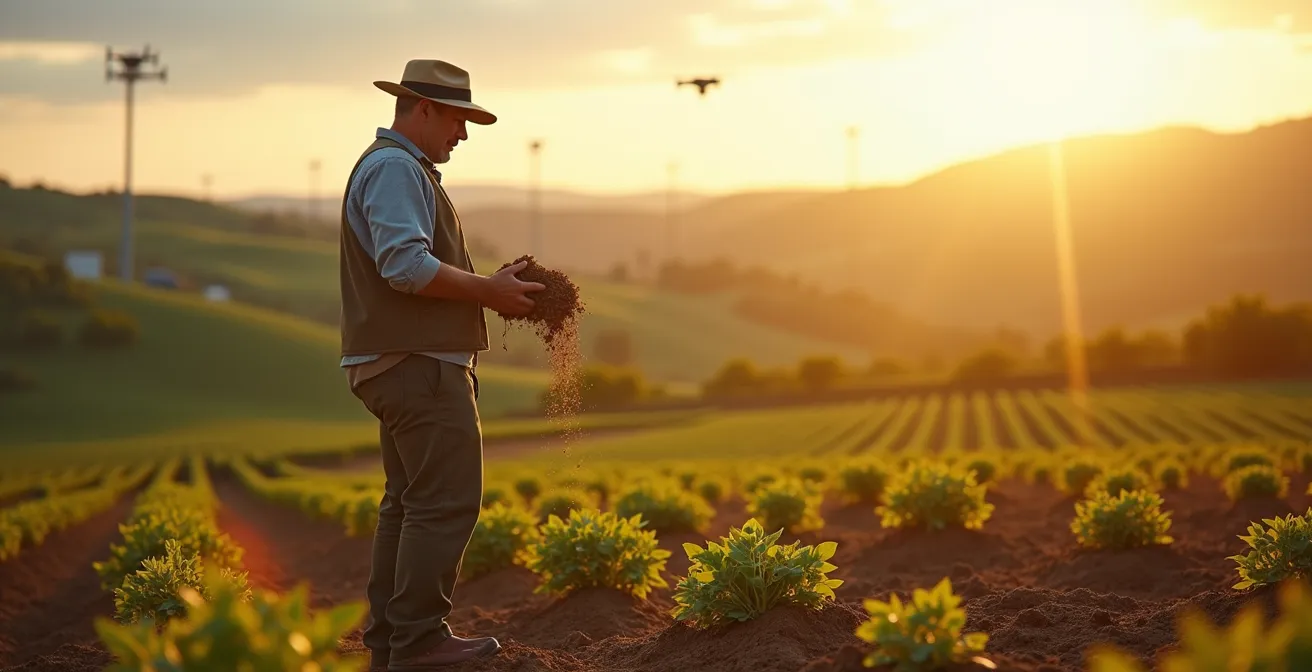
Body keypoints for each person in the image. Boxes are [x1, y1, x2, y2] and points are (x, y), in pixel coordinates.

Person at [338, 59, 544, 671]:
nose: (462, 133)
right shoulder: (398, 169)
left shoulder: (394, 167)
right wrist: (489, 291)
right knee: (446, 500)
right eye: (457, 119)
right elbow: (404, 266)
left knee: (406, 504)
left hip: (394, 363)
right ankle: (420, 639)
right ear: (421, 108)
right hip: (418, 367)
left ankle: (391, 645)